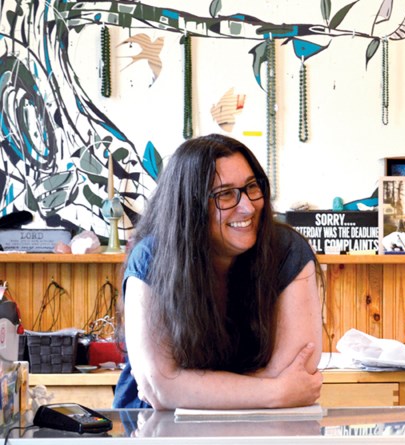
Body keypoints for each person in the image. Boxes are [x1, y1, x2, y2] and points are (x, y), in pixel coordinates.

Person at [113, 134, 325, 410]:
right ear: (189, 206)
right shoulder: (151, 258)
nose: (248, 206)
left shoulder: (287, 251)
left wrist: (190, 388)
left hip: (260, 434)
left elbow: (297, 373)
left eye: (252, 187)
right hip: (155, 434)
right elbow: (159, 387)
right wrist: (274, 393)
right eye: (225, 194)